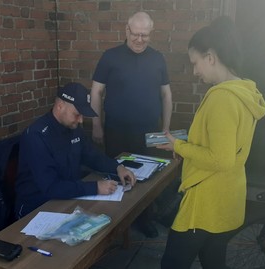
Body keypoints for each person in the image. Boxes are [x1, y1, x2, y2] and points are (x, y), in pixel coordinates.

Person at [158, 16, 265, 269]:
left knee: (172, 263)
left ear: (210, 56)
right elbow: (224, 144)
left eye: (195, 63)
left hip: (205, 199)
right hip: (228, 195)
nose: (195, 71)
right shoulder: (245, 90)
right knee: (213, 260)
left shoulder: (222, 98)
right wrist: (188, 144)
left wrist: (178, 146)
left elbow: (220, 158)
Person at [90, 11, 172, 238]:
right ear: (126, 30)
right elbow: (96, 91)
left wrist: (165, 129)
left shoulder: (158, 59)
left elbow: (166, 95)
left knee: (148, 180)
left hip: (150, 133)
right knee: (117, 176)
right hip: (116, 131)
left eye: (145, 35)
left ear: (151, 34)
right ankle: (118, 224)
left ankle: (144, 219)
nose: (139, 39)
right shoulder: (110, 56)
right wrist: (97, 125)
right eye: (135, 34)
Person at [15, 82, 136, 219]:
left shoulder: (73, 128)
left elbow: (92, 155)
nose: (81, 120)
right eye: (77, 114)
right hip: (37, 207)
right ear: (60, 106)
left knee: (111, 215)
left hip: (68, 197)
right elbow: (51, 187)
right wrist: (95, 187)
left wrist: (117, 167)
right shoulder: (37, 136)